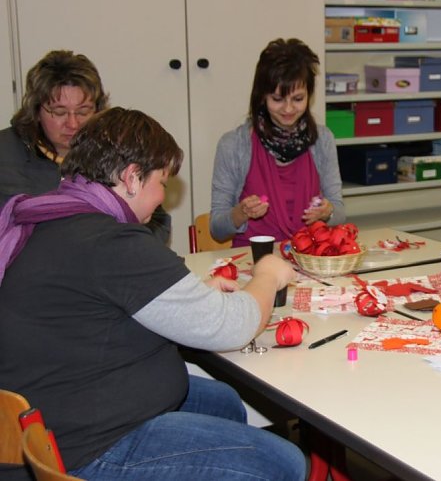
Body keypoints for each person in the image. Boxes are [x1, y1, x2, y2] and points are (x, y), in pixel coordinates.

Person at [0, 108, 305, 480]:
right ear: (131, 178)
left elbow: (98, 306)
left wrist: (181, 297)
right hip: (88, 446)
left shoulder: (60, 216)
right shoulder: (109, 241)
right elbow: (232, 325)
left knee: (222, 402)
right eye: (161, 182)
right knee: (284, 463)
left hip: (59, 407)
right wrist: (267, 275)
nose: (163, 197)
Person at [0, 49, 171, 243]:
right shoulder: (5, 154)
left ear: (98, 111)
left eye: (83, 111)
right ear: (36, 110)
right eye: (59, 111)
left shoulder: (116, 148)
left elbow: (158, 224)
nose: (73, 124)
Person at [210, 37, 344, 246]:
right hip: (254, 258)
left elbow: (339, 212)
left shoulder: (323, 140)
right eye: (278, 99)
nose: (288, 109)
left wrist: (328, 212)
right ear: (262, 96)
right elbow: (217, 229)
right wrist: (240, 213)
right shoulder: (233, 145)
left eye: (298, 99)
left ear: (309, 95)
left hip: (308, 258)